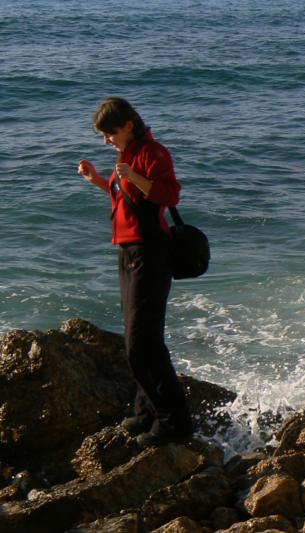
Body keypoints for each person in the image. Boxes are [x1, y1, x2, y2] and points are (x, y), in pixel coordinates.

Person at [77, 97, 193, 446]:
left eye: (109, 133)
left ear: (127, 125)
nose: (106, 141)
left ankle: (175, 422)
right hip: (128, 251)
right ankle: (146, 413)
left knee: (144, 341)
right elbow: (123, 196)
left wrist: (137, 178)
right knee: (134, 338)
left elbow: (170, 196)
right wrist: (98, 179)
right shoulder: (126, 155)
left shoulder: (153, 153)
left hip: (151, 252)